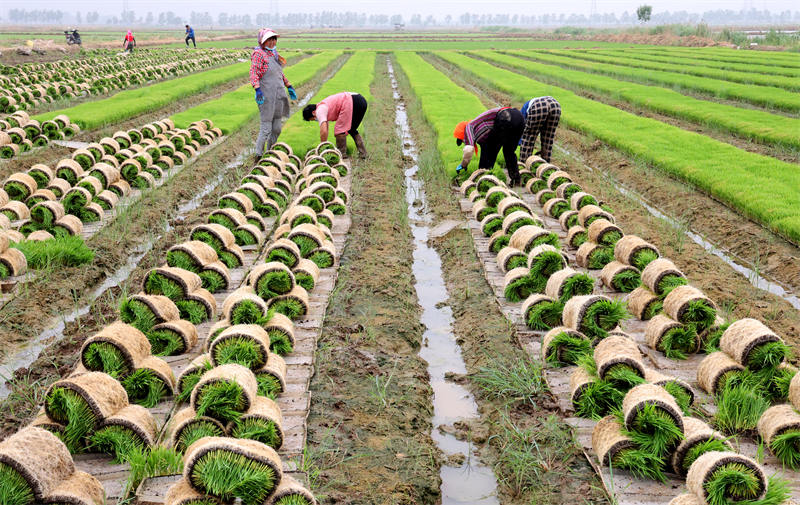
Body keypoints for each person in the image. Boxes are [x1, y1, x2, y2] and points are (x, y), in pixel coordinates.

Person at [250, 28, 296, 160]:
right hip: (266, 95)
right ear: (263, 41)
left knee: (277, 128)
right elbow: (254, 73)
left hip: (279, 94)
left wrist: (288, 85)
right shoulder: (258, 54)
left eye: (274, 39)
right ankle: (258, 156)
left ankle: (270, 153)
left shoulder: (273, 54)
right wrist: (257, 89)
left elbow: (279, 73)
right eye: (269, 39)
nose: (272, 42)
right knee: (266, 128)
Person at [453, 106, 524, 186]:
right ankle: (516, 180)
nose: (464, 142)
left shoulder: (469, 127)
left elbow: (469, 150)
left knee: (489, 150)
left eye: (462, 140)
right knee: (508, 152)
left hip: (505, 116)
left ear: (463, 134)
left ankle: (483, 177)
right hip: (518, 117)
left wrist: (463, 165)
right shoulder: (479, 128)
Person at [302, 92, 368, 158]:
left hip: (351, 101)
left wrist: (322, 146)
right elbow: (326, 129)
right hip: (360, 100)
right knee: (352, 129)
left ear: (313, 112)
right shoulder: (323, 106)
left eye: (313, 119)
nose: (315, 119)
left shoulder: (319, 110)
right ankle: (363, 154)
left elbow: (323, 131)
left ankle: (342, 155)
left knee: (339, 130)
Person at [519, 96, 561, 163]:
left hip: (539, 106)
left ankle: (524, 164)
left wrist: (518, 143)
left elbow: (522, 130)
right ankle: (546, 164)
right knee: (548, 139)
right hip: (555, 105)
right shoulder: (529, 103)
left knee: (529, 137)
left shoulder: (522, 112)